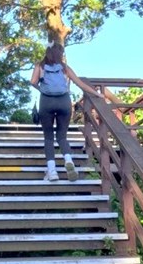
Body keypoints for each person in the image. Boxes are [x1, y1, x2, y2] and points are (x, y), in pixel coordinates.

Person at [30, 42, 96, 182]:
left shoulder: (40, 65)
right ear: (60, 54)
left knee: (48, 138)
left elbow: (33, 81)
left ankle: (52, 171)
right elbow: (80, 83)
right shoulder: (65, 68)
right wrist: (98, 94)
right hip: (64, 101)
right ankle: (68, 160)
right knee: (62, 136)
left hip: (46, 102)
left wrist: (42, 89)